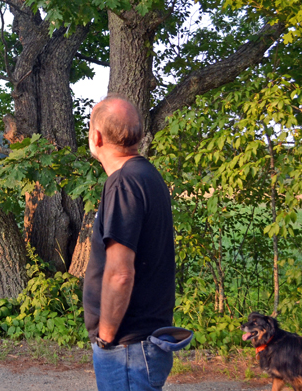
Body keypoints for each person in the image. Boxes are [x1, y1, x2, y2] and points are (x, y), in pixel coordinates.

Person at [83, 95, 182, 390]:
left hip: (128, 346)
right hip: (144, 341)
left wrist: (106, 336)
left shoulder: (124, 183)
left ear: (96, 136)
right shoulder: (146, 175)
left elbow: (120, 273)